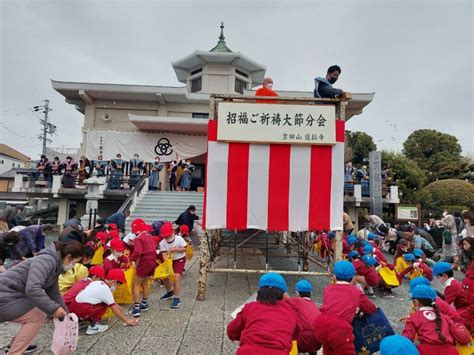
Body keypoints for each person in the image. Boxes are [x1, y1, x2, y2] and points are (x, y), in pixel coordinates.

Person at [0, 241, 85, 354]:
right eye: (75, 262)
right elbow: (32, 289)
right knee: (37, 316)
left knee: (38, 311)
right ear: (68, 257)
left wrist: (65, 314)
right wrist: (55, 309)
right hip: (4, 297)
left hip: (10, 296)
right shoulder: (46, 261)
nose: (73, 266)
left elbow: (54, 293)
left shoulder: (55, 264)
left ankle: (14, 345)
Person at [313, 260, 376, 355]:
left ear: (334, 276)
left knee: (328, 350)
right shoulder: (355, 291)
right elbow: (371, 308)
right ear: (352, 277)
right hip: (340, 328)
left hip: (321, 323)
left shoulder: (329, 289)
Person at [227, 273, 300, 354]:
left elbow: (231, 331)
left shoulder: (250, 307)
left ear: (260, 292)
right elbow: (295, 335)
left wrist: (245, 336)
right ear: (283, 294)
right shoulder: (291, 312)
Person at [64, 268, 138, 334]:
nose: (117, 287)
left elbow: (113, 303)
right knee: (104, 304)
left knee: (101, 302)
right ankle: (93, 326)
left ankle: (79, 320)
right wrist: (127, 321)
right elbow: (114, 308)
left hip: (73, 307)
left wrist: (120, 309)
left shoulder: (98, 283)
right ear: (115, 282)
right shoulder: (105, 289)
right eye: (118, 284)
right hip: (79, 309)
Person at [402, 285, 471, 354]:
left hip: (426, 351)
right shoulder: (445, 317)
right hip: (450, 351)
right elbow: (463, 339)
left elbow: (405, 340)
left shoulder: (414, 318)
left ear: (416, 302)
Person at [432, 262, 471, 330]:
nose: (437, 279)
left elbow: (445, 304)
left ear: (445, 276)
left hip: (465, 309)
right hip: (463, 307)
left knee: (451, 321)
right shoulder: (453, 282)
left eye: (438, 277)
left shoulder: (451, 286)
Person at [285, 280, 321, 354]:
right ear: (311, 293)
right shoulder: (314, 306)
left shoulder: (296, 302)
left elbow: (283, 299)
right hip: (317, 343)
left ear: (297, 293)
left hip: (303, 343)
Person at [130, 223, 156, 317]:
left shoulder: (139, 238)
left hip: (145, 261)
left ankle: (136, 308)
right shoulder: (150, 236)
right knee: (145, 282)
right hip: (152, 261)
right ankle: (144, 303)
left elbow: (137, 252)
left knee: (136, 284)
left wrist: (132, 258)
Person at [159, 222, 187, 309]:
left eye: (169, 235)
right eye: (165, 236)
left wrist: (176, 249)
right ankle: (170, 292)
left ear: (173, 233)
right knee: (164, 277)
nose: (167, 237)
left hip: (180, 260)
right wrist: (168, 255)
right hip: (170, 261)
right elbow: (164, 256)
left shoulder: (179, 239)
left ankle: (177, 298)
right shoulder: (162, 243)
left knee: (176, 277)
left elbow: (186, 248)